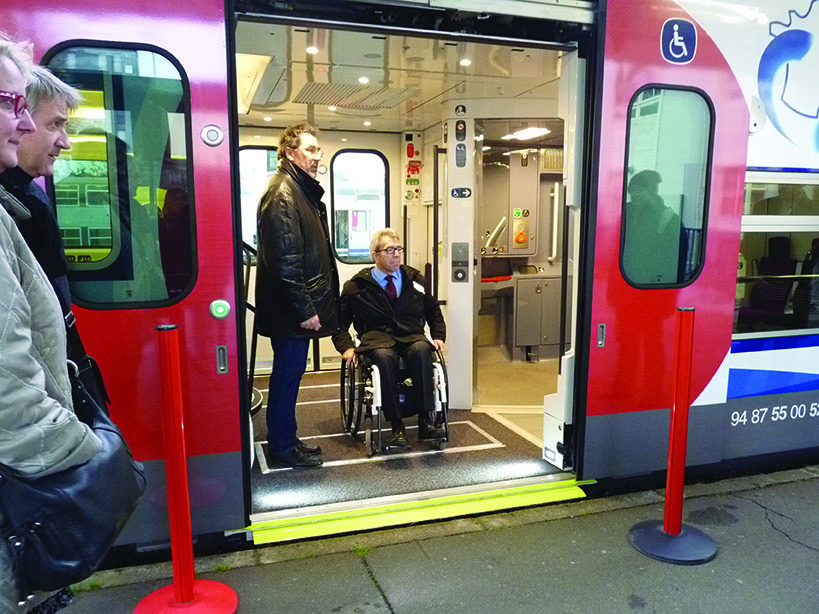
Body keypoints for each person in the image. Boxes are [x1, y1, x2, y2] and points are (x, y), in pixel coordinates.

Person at [0, 37, 101, 613]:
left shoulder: (24, 199)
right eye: (52, 123)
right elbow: (13, 368)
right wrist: (82, 451)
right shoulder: (18, 207)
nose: (63, 139)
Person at [255, 122, 339, 468]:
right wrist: (305, 309)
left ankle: (286, 439)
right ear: (290, 153)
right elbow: (285, 261)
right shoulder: (284, 193)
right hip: (292, 311)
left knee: (289, 375)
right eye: (310, 150)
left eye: (319, 150)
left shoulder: (297, 190)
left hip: (292, 309)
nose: (317, 157)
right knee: (287, 376)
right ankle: (283, 447)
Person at [332, 228, 446, 449]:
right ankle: (396, 426)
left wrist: (438, 335)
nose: (396, 254)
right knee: (384, 357)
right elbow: (339, 323)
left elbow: (433, 311)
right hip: (377, 339)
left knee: (423, 350)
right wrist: (346, 348)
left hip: (411, 335)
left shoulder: (416, 279)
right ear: (375, 255)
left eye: (399, 249)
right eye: (389, 250)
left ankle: (426, 421)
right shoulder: (356, 286)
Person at [621, 169, 682, 285]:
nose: (635, 194)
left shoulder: (669, 218)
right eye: (632, 190)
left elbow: (674, 258)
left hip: (652, 285)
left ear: (652, 192)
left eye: (640, 190)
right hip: (624, 281)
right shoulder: (623, 212)